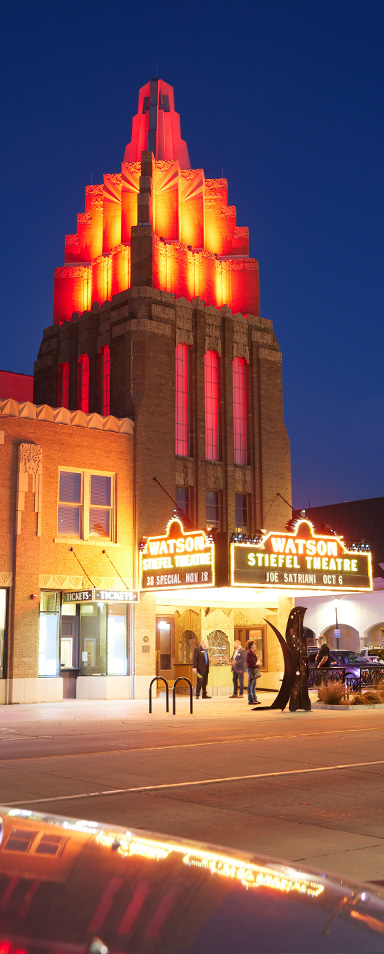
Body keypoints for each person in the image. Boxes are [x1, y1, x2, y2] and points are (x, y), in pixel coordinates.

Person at [245, 638, 260, 705]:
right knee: (251, 685)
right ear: (251, 645)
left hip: (252, 669)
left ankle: (254, 699)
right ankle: (250, 700)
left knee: (253, 685)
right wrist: (257, 664)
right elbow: (251, 663)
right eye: (254, 644)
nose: (255, 646)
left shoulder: (252, 653)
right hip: (251, 669)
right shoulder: (249, 653)